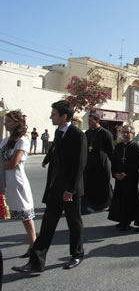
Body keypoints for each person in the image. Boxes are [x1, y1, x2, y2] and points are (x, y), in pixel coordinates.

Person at [13, 100, 87, 273]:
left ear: (64, 116)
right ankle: (36, 262)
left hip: (70, 190)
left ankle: (77, 254)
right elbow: (55, 151)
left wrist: (71, 189)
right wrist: (47, 160)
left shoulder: (78, 135)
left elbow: (80, 164)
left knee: (74, 223)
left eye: (54, 114)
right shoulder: (58, 132)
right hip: (55, 188)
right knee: (47, 225)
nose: (51, 117)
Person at [0, 111, 36, 257]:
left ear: (16, 123)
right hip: (3, 179)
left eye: (8, 121)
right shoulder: (4, 141)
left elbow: (13, 163)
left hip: (15, 181)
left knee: (24, 214)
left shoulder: (23, 141)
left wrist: (2, 164)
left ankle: (33, 243)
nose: (5, 124)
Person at [108, 125, 139, 231]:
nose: (125, 134)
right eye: (124, 132)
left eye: (128, 132)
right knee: (119, 199)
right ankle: (120, 219)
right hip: (119, 179)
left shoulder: (135, 147)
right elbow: (113, 161)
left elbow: (136, 163)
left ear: (133, 134)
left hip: (130, 179)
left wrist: (125, 173)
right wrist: (115, 173)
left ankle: (127, 221)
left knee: (128, 200)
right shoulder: (118, 146)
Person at [82, 113, 114, 214]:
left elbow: (110, 150)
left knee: (103, 184)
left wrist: (114, 166)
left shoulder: (105, 133)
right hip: (90, 164)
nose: (89, 123)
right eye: (88, 121)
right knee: (90, 184)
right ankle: (92, 204)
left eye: (91, 121)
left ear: (97, 121)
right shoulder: (87, 133)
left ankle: (109, 203)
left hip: (102, 164)